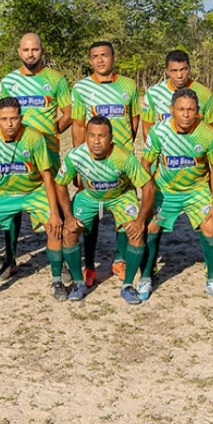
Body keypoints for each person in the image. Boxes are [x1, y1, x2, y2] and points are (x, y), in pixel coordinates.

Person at [0, 97, 65, 300]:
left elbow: (47, 175)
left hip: (34, 191)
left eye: (14, 118)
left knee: (55, 228)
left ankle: (57, 280)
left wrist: (55, 213)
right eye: (4, 119)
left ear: (21, 117)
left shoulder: (34, 137)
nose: (10, 124)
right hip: (3, 194)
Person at [56, 116, 155, 305]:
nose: (96, 140)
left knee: (136, 233)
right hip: (90, 196)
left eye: (102, 136)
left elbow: (148, 186)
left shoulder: (124, 157)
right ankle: (78, 283)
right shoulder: (76, 155)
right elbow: (60, 184)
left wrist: (141, 219)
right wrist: (68, 216)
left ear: (111, 137)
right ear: (86, 136)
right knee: (69, 232)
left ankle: (127, 285)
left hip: (120, 196)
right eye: (91, 135)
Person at [0, 33, 72, 273]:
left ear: (42, 51)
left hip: (47, 153)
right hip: (16, 155)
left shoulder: (56, 79)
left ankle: (58, 262)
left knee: (54, 205)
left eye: (35, 50)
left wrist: (52, 132)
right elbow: (2, 116)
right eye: (26, 50)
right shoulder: (9, 82)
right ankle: (10, 259)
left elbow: (68, 114)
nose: (31, 54)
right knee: (13, 205)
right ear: (19, 52)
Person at [69, 41, 141, 285]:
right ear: (90, 60)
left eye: (105, 55)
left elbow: (134, 122)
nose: (100, 60)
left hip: (120, 163)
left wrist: (124, 150)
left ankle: (120, 260)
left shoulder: (129, 85)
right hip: (92, 163)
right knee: (91, 214)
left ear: (114, 57)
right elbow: (78, 125)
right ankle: (89, 266)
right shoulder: (81, 88)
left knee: (124, 211)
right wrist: (80, 162)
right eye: (95, 56)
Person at [142, 88, 213, 301]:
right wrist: (147, 197)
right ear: (171, 110)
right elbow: (146, 164)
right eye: (181, 109)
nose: (186, 114)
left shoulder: (209, 135)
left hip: (196, 190)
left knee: (212, 228)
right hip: (165, 190)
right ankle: (147, 275)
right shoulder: (158, 132)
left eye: (190, 109)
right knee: (150, 226)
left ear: (198, 112)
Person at [141, 50, 213, 137]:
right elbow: (147, 128)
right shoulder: (153, 93)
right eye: (174, 70)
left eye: (183, 69)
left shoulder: (205, 94)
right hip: (164, 149)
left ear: (189, 68)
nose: (179, 75)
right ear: (167, 71)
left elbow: (211, 129)